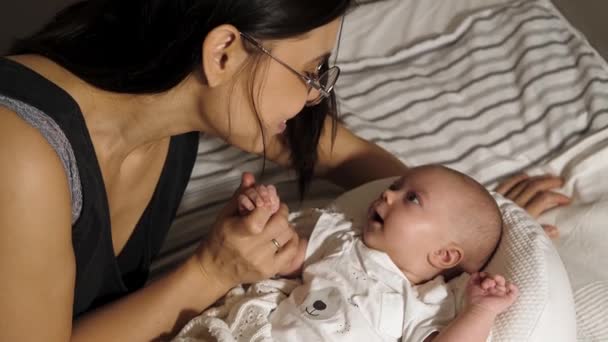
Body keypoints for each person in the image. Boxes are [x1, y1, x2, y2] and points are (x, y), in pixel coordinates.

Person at [0, 0, 565, 341]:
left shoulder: (169, 105)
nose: (316, 97)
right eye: (312, 72)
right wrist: (209, 272)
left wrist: (468, 221)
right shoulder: (22, 154)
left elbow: (343, 154)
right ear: (223, 52)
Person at [235, 165, 517, 342]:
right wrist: (266, 215)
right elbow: (284, 256)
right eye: (394, 187)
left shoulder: (427, 302)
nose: (388, 195)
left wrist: (481, 310)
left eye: (412, 198)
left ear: (444, 255)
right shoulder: (343, 239)